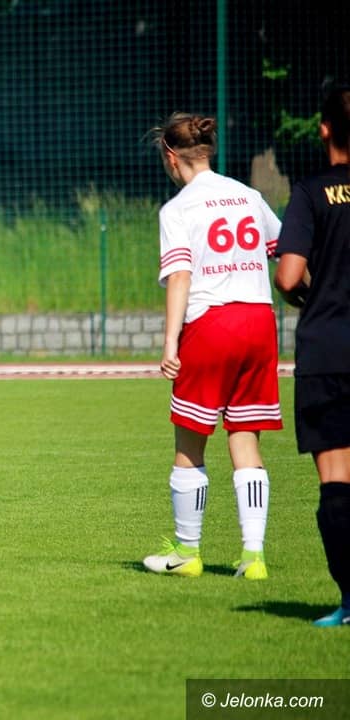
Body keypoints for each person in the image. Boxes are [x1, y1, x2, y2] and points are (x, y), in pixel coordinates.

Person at [140, 114, 282, 578]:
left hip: (212, 323)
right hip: (259, 321)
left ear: (171, 156)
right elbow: (282, 250)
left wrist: (170, 342)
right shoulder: (248, 195)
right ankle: (254, 557)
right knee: (245, 437)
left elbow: (181, 275)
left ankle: (188, 552)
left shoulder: (178, 208)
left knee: (190, 441)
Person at [274, 84, 350, 627]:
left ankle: (349, 602)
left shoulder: (310, 192)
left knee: (337, 484)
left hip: (327, 350)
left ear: (324, 129)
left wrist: (312, 294)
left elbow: (288, 276)